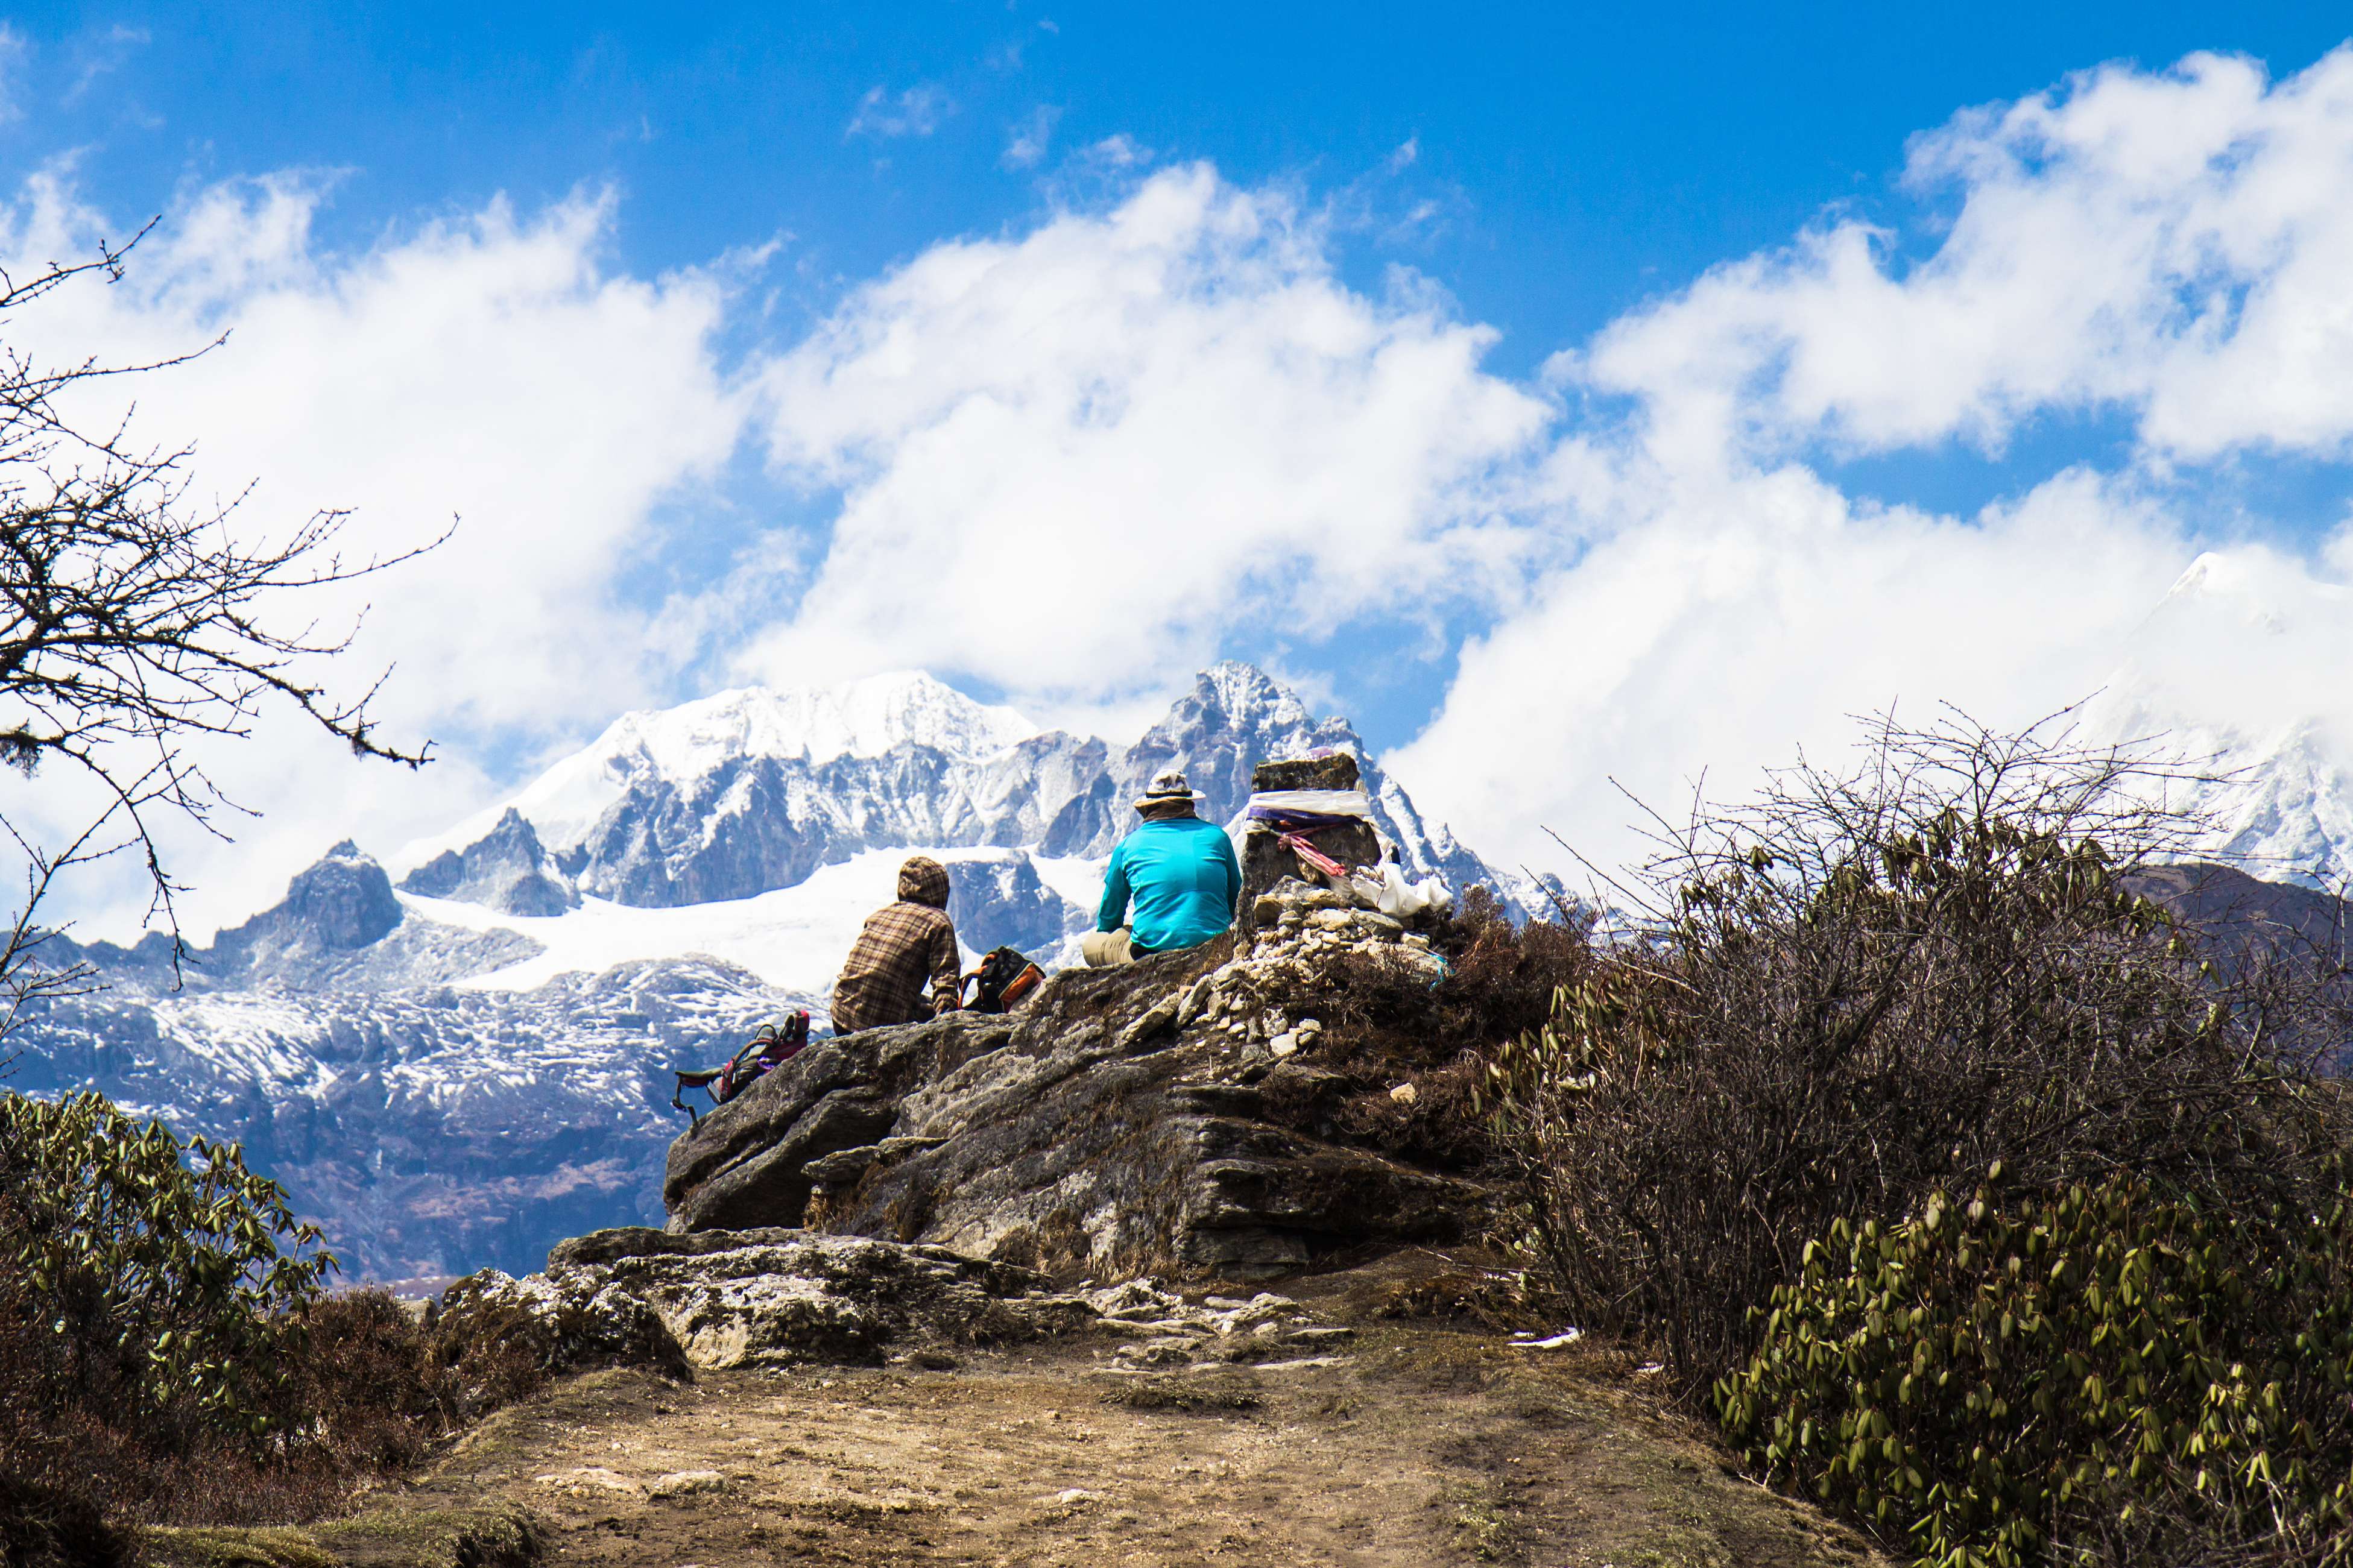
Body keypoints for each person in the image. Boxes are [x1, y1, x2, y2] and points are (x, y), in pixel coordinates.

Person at [1084, 770, 1242, 966]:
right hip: (1214, 946)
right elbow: (1238, 902)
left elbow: (1109, 919)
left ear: (1148, 809)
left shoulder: (1128, 846)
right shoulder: (1218, 837)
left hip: (1150, 953)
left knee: (1092, 944)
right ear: (1191, 805)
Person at [830, 855, 960, 1034]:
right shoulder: (939, 922)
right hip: (881, 1024)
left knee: (922, 1004)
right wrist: (949, 1031)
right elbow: (945, 981)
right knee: (928, 1011)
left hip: (841, 1016)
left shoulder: (880, 915)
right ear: (941, 890)